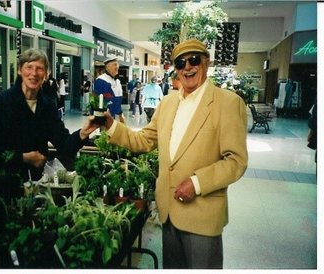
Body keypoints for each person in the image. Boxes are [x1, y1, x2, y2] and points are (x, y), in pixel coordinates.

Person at [103, 39, 248, 269]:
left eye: (194, 60)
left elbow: (236, 161)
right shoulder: (168, 103)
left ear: (206, 63)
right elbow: (145, 139)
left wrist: (197, 183)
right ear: (175, 69)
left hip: (203, 215)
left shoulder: (227, 103)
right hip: (168, 212)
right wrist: (111, 126)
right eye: (181, 63)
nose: (187, 67)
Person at [0, 48, 99, 202]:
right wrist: (23, 158)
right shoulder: (1, 104)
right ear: (20, 71)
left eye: (39, 68)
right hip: (3, 186)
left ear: (46, 74)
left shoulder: (47, 106)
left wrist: (83, 133)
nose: (34, 73)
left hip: (37, 186)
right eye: (29, 67)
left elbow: (63, 144)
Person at [93, 57, 125, 123]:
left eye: (118, 65)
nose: (117, 67)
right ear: (107, 67)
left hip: (116, 115)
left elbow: (118, 99)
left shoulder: (117, 81)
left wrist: (120, 113)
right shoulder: (101, 80)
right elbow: (99, 99)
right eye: (115, 65)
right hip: (106, 116)